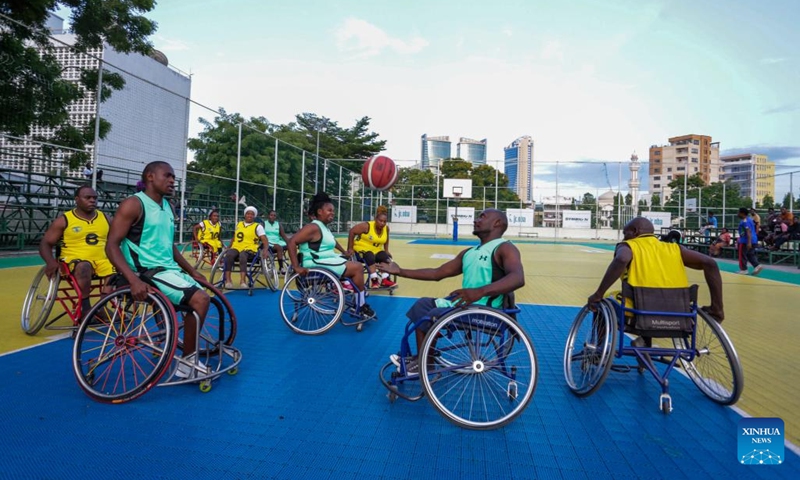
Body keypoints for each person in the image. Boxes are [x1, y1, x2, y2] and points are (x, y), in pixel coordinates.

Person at [378, 209, 525, 375]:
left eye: (482, 217)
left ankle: (424, 362)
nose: (476, 220)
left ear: (497, 223)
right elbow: (437, 273)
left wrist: (479, 292)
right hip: (466, 306)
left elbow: (518, 278)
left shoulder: (505, 248)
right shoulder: (469, 253)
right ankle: (425, 360)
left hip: (487, 312)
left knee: (433, 315)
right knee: (422, 306)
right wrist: (400, 271)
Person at [105, 161, 210, 378]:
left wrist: (191, 271)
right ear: (150, 177)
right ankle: (186, 366)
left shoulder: (168, 207)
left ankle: (181, 346)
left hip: (168, 269)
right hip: (146, 271)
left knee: (205, 296)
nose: (173, 181)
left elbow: (168, 245)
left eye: (174, 177)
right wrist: (133, 280)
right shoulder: (134, 204)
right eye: (168, 176)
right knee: (200, 299)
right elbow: (111, 245)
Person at [588, 217, 724, 322]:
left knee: (604, 301)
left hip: (641, 308)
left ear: (634, 232)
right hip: (677, 309)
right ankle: (717, 309)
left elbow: (622, 259)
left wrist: (599, 293)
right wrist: (717, 308)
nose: (624, 237)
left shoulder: (628, 246)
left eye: (625, 233)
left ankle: (597, 350)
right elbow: (710, 263)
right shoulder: (674, 249)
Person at [287, 192, 375, 319]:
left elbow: (332, 242)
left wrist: (344, 252)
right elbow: (291, 242)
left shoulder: (323, 227)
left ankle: (359, 302)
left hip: (324, 259)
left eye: (333, 211)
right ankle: (360, 305)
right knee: (357, 268)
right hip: (314, 262)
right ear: (319, 211)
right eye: (329, 210)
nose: (332, 213)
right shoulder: (313, 227)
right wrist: (296, 267)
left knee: (354, 264)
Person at [39, 185, 115, 318]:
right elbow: (45, 243)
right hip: (73, 261)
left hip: (102, 260)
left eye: (95, 198)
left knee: (120, 267)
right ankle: (86, 309)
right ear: (77, 199)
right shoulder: (65, 220)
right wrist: (50, 262)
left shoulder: (106, 218)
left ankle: (101, 306)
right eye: (88, 197)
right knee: (84, 266)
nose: (93, 200)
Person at [347, 205, 395, 289]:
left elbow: (386, 239)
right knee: (370, 256)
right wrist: (350, 248)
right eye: (380, 221)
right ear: (376, 220)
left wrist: (386, 250)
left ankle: (385, 279)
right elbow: (352, 231)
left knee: (384, 256)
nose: (382, 223)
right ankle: (374, 280)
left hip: (376, 250)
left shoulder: (386, 229)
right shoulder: (367, 226)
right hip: (361, 249)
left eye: (384, 221)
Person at [223, 206, 269, 289]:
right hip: (237, 247)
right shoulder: (239, 224)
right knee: (229, 255)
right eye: (248, 213)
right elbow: (234, 237)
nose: (249, 215)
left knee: (243, 255)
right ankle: (228, 280)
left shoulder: (258, 226)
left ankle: (242, 281)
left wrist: (265, 250)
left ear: (254, 216)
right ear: (245, 215)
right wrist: (229, 247)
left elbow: (264, 240)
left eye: (252, 214)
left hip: (250, 249)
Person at [736, 207, 762, 275]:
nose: (737, 214)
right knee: (750, 254)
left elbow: (748, 231)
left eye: (738, 212)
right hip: (753, 239)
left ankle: (743, 269)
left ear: (742, 213)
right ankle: (757, 265)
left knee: (742, 255)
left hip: (745, 240)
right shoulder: (749, 219)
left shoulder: (745, 221)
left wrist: (749, 242)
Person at [264, 209, 291, 274]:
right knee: (279, 247)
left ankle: (293, 265)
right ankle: (281, 267)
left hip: (278, 241)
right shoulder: (264, 224)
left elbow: (283, 235)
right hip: (268, 242)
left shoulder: (278, 224)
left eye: (274, 216)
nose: (273, 217)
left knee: (292, 246)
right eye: (271, 215)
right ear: (268, 216)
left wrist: (290, 243)